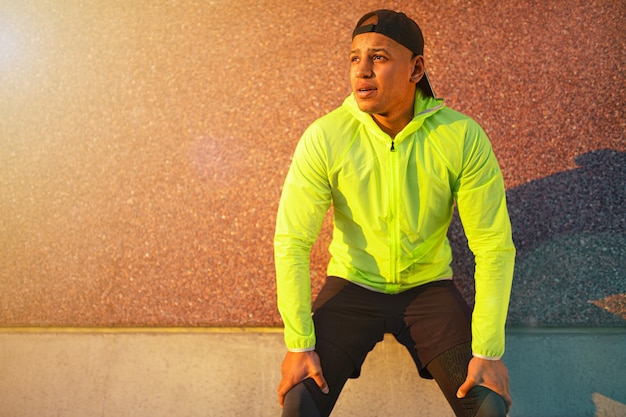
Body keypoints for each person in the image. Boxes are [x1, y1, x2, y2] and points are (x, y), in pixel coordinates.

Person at [274, 9, 515, 417]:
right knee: (299, 402)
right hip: (352, 286)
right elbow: (292, 241)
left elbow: (493, 246)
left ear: (415, 68)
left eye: (379, 58)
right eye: (354, 58)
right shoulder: (326, 136)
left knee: (488, 407)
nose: (362, 71)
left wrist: (488, 350)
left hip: (428, 289)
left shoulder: (460, 136)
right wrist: (298, 344)